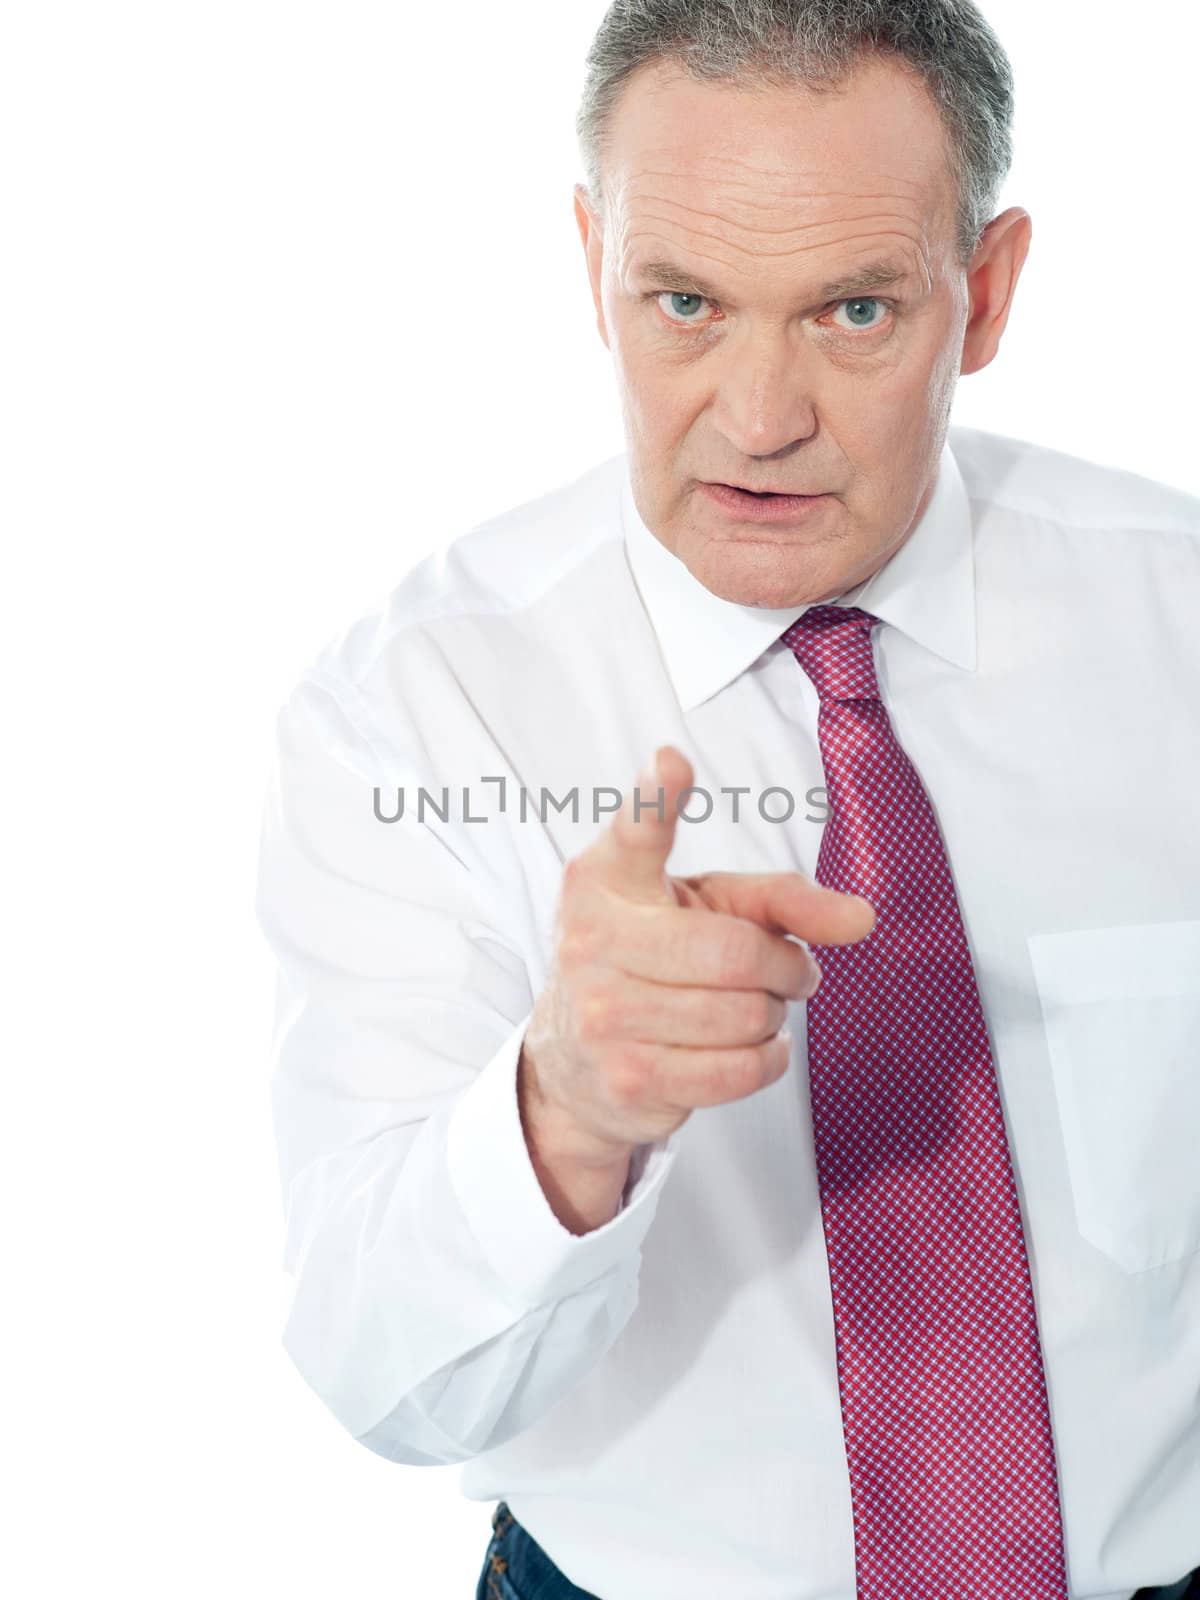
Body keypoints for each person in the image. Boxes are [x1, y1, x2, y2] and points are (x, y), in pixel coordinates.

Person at [255, 2, 1200, 1596]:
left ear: (984, 293)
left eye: (851, 311)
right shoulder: (414, 710)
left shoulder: (1180, 626)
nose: (758, 420)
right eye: (684, 302)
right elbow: (385, 1382)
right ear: (593, 270)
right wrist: (564, 1109)